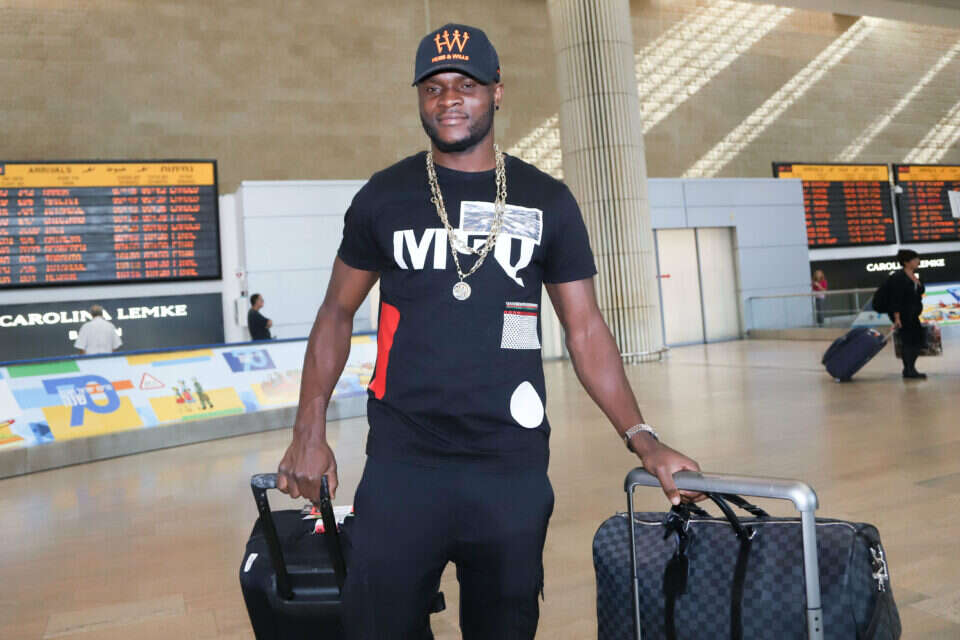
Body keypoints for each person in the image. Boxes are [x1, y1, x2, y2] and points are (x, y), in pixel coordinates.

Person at [276, 23, 702, 638]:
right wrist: (308, 430)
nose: (449, 98)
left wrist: (643, 438)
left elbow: (585, 329)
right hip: (404, 462)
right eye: (434, 87)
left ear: (497, 92)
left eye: (467, 84)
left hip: (509, 466)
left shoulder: (547, 200)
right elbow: (335, 313)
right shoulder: (384, 197)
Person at [887, 249, 927, 380]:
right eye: (914, 259)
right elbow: (896, 298)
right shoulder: (899, 277)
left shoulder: (913, 275)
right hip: (904, 315)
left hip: (913, 314)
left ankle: (910, 368)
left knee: (917, 340)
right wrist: (897, 318)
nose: (918, 261)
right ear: (906, 262)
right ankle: (909, 370)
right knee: (909, 341)